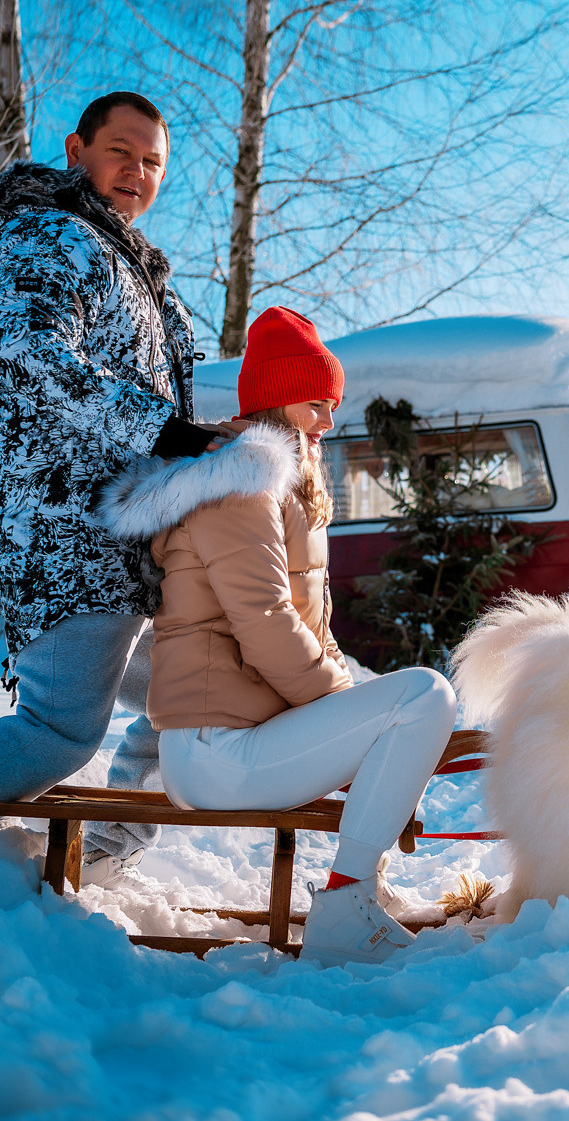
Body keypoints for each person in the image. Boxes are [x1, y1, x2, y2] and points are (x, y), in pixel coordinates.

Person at [0, 92, 236, 875]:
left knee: (200, 681)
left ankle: (103, 854)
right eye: (122, 151)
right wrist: (165, 434)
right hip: (68, 531)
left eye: (153, 161)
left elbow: (165, 393)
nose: (138, 171)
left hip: (132, 536)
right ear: (76, 149)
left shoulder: (135, 269)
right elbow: (35, 352)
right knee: (59, 729)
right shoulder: (45, 234)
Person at [93, 307, 457, 965]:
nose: (330, 420)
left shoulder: (277, 493)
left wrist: (350, 712)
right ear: (278, 399)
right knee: (425, 695)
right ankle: (346, 907)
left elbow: (310, 635)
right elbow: (266, 625)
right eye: (317, 403)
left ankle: (361, 888)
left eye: (333, 404)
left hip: (238, 740)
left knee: (413, 702)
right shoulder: (240, 492)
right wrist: (346, 714)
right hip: (216, 751)